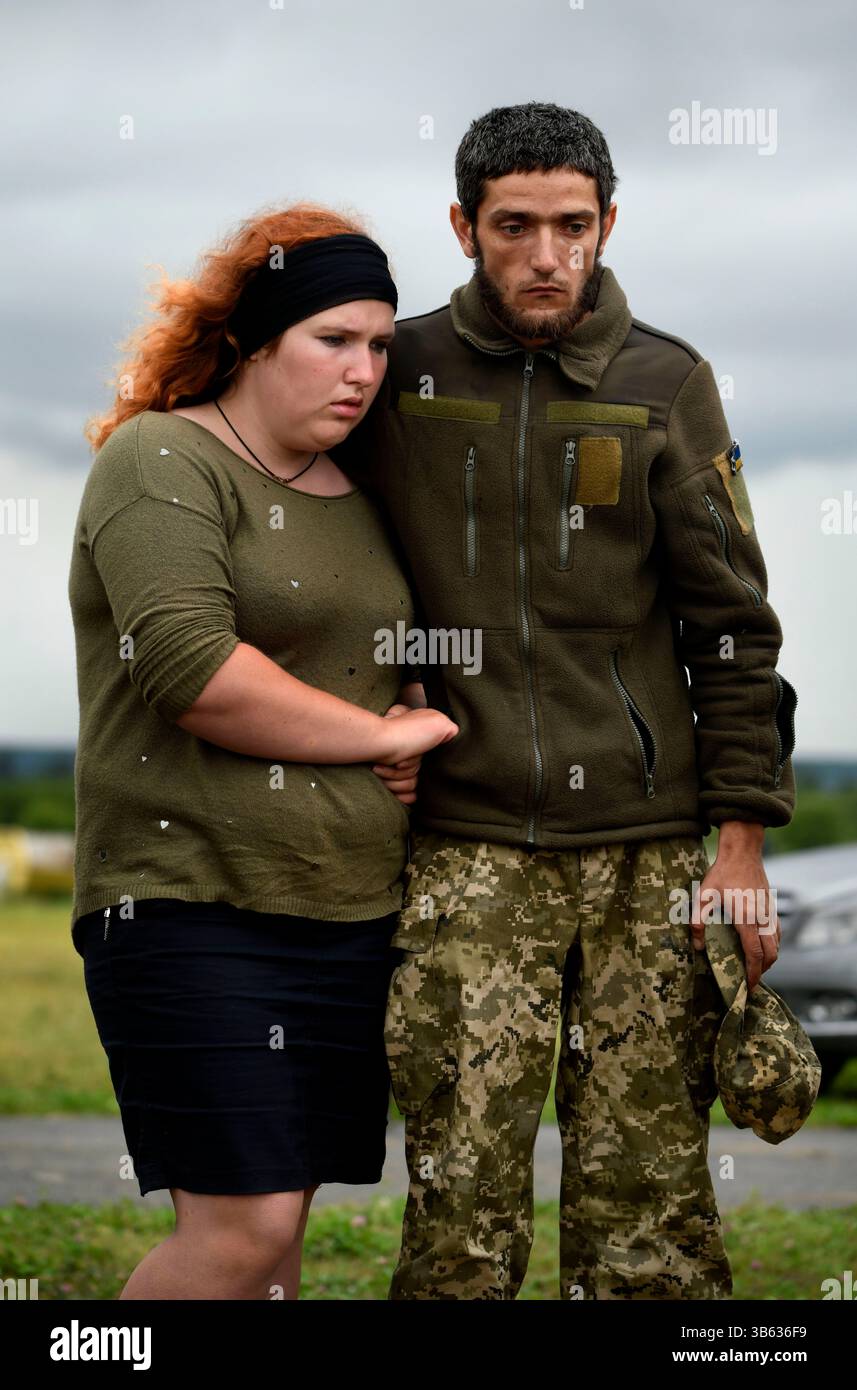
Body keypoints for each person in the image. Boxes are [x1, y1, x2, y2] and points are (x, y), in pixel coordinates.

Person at [330, 102, 798, 1300]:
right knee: (458, 1213)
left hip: (645, 854)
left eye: (572, 226)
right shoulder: (403, 371)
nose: (547, 255)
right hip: (464, 848)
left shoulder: (667, 381)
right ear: (463, 226)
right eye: (514, 226)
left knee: (647, 1221)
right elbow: (331, 565)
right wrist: (386, 703)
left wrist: (735, 848)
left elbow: (734, 632)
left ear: (607, 223)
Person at [68, 203, 457, 1301]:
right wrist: (380, 733)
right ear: (251, 338)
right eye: (332, 338)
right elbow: (193, 671)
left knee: (278, 1245)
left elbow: (392, 654)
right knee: (239, 1233)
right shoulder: (161, 458)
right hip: (189, 903)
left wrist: (417, 713)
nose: (363, 369)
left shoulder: (368, 494)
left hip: (344, 912)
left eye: (380, 345)